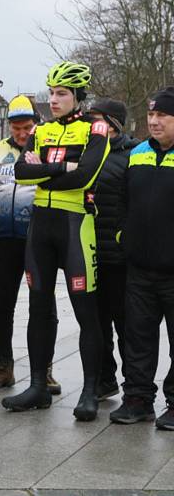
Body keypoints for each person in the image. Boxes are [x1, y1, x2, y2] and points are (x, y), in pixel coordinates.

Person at [3, 61, 109, 421]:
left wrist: (43, 172)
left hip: (75, 226)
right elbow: (20, 172)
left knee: (85, 312)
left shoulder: (95, 129)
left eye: (62, 93)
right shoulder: (42, 130)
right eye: (51, 92)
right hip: (41, 228)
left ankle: (91, 390)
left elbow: (85, 177)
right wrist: (60, 168)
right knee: (38, 307)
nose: (53, 99)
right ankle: (37, 386)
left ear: (78, 96)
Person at [0, 95, 61, 393]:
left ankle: (46, 370)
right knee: (2, 306)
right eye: (16, 128)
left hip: (38, 240)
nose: (21, 133)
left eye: (26, 127)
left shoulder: (46, 149)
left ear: (36, 124)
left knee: (43, 306)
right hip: (6, 240)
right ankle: (4, 367)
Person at [110, 86, 174, 430]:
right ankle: (137, 399)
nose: (154, 121)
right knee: (137, 338)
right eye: (151, 115)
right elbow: (123, 201)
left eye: (162, 115)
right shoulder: (138, 154)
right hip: (139, 268)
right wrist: (124, 235)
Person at [88, 98, 138, 401]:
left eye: (98, 120)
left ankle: (135, 385)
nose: (93, 125)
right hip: (89, 252)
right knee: (96, 324)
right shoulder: (88, 151)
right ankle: (103, 379)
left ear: (113, 124)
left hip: (120, 257)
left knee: (127, 326)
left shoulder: (133, 155)